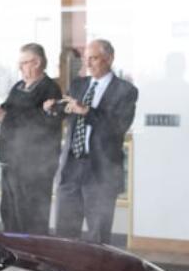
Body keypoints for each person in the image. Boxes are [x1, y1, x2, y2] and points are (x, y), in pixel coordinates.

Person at [47, 39, 138, 244]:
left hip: (100, 172)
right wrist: (53, 109)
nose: (88, 64)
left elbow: (117, 127)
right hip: (71, 168)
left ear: (109, 59)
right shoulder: (78, 85)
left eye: (94, 58)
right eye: (86, 59)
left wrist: (88, 111)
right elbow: (68, 112)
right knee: (64, 235)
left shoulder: (125, 91)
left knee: (98, 236)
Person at [0, 43, 62, 234]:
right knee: (9, 212)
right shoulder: (19, 86)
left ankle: (33, 256)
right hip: (11, 161)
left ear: (37, 62)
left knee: (30, 215)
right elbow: (6, 112)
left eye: (24, 63)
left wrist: (5, 117)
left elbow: (42, 123)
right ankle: (13, 252)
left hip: (35, 165)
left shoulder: (50, 89)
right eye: (20, 63)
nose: (20, 68)